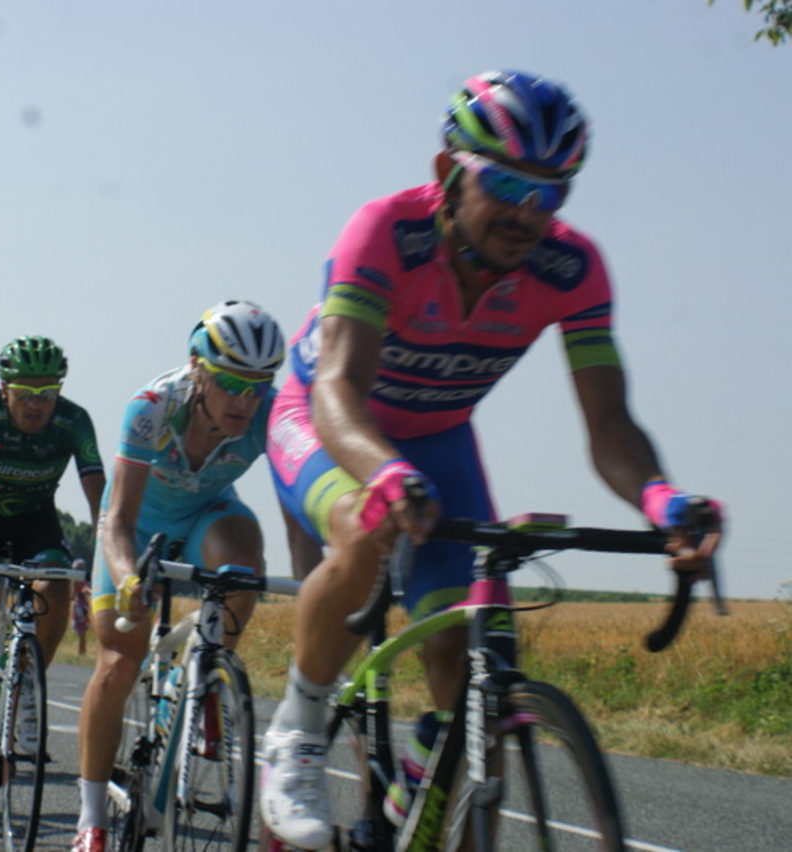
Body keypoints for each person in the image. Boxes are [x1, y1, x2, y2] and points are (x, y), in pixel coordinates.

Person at [259, 70, 725, 849]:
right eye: (506, 184)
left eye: (551, 193)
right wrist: (385, 474)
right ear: (449, 172)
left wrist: (663, 501)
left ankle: (418, 794)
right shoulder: (386, 232)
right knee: (362, 527)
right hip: (327, 421)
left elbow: (610, 424)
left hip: (440, 442)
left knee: (473, 659)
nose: (527, 212)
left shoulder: (572, 269)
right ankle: (297, 733)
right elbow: (338, 387)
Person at [70, 301, 286, 852]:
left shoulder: (270, 413)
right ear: (197, 369)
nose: (245, 400)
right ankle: (91, 818)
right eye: (231, 382)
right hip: (136, 525)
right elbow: (118, 519)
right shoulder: (151, 408)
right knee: (118, 659)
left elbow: (297, 504)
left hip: (205, 516)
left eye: (258, 385)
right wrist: (127, 580)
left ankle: (208, 673)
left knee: (244, 558)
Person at [0, 336, 105, 787]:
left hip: (36, 521)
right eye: (25, 393)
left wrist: (111, 554)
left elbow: (100, 498)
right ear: (4, 390)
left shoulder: (74, 421)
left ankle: (28, 684)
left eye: (47, 393)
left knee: (56, 589)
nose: (37, 404)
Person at [72, 571, 91, 655]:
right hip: (80, 607)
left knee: (83, 631)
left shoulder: (79, 582)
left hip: (83, 607)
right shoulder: (77, 582)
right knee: (81, 632)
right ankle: (81, 651)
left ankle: (82, 651)